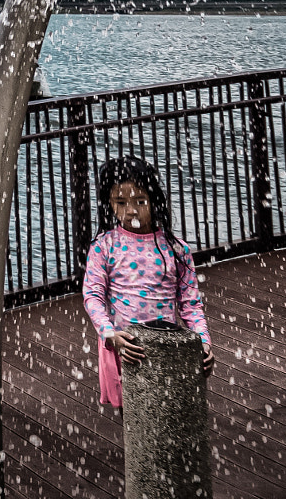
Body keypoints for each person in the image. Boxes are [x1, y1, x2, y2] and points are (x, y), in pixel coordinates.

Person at [81, 154, 213, 408]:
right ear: (109, 204)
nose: (130, 210)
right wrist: (109, 334)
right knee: (132, 414)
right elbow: (93, 296)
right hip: (123, 345)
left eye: (140, 201)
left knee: (168, 411)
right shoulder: (104, 246)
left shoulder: (176, 250)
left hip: (166, 345)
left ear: (155, 201)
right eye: (120, 202)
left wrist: (203, 341)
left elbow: (190, 304)